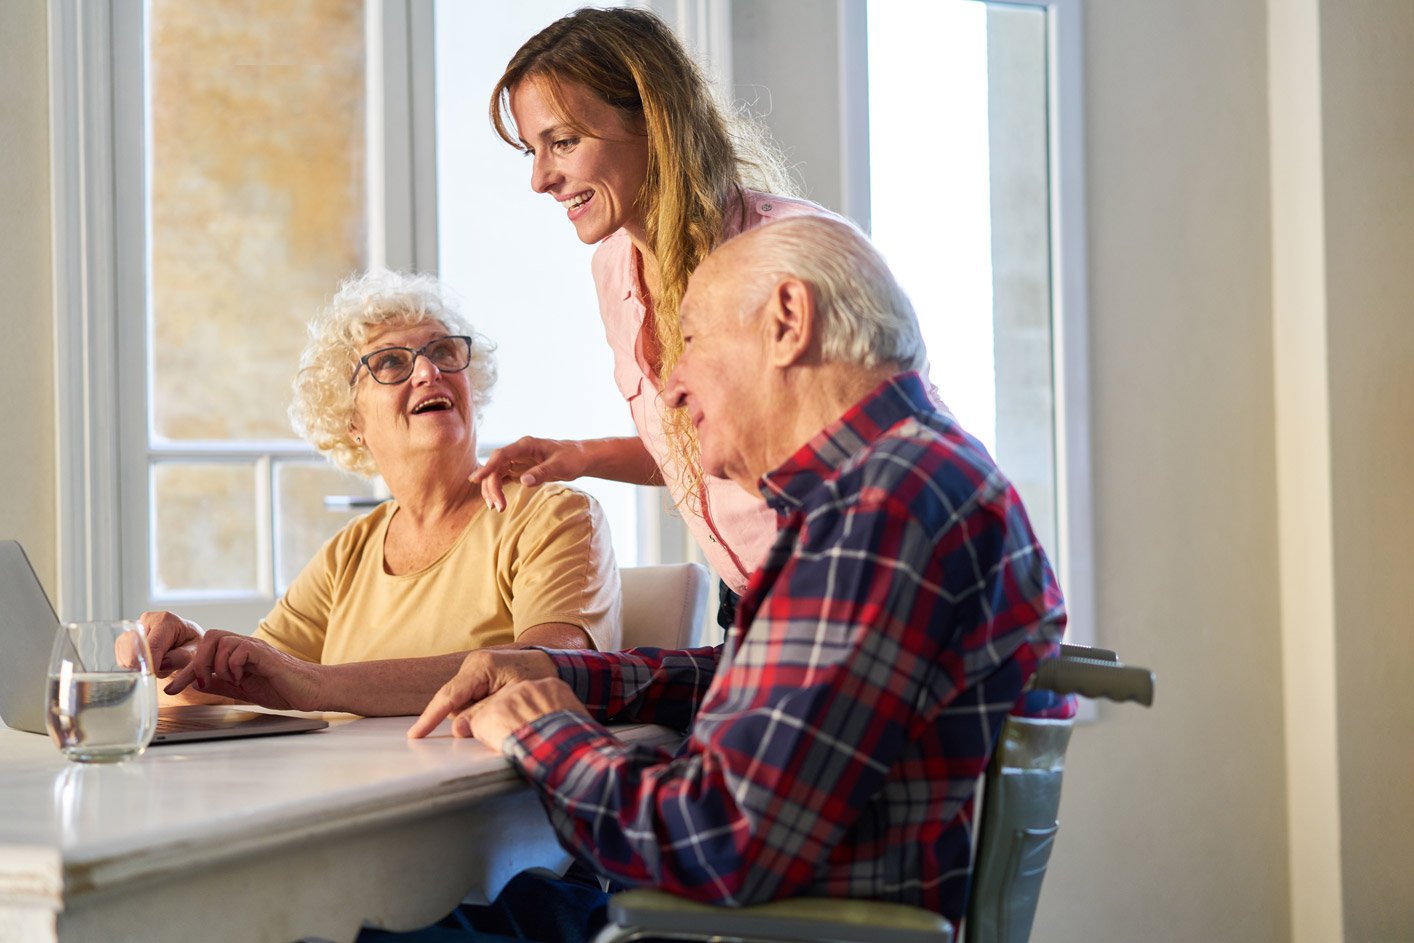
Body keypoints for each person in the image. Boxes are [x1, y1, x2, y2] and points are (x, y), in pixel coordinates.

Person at [399, 216, 1068, 941]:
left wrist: (543, 730)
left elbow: (713, 842)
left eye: (689, 340)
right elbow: (783, 682)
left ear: (788, 320)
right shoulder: (919, 477)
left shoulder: (884, 505)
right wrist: (566, 674)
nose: (673, 386)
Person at [471, 7, 841, 629]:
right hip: (751, 608)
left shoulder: (794, 255)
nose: (540, 179)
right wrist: (583, 454)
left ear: (656, 121)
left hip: (843, 598)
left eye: (563, 142)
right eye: (532, 150)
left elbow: (874, 463)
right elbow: (707, 448)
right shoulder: (614, 267)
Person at [139, 269, 620, 715]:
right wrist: (183, 654)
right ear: (352, 421)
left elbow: (555, 667)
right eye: (391, 361)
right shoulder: (349, 551)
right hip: (347, 788)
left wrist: (318, 685)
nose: (428, 372)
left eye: (443, 352)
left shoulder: (553, 515)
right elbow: (256, 680)